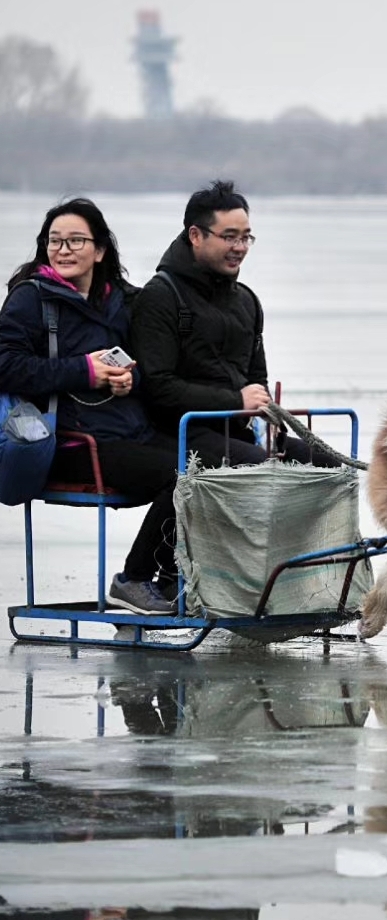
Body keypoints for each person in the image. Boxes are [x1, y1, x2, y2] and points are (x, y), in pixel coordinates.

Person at [0, 198, 178, 614]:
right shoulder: (30, 299)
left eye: (76, 240)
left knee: (208, 466)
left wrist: (129, 380)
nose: (63, 249)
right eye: (54, 241)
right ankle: (134, 579)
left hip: (128, 430)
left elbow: (150, 365)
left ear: (99, 250)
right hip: (70, 443)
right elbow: (5, 366)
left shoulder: (124, 301)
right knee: (183, 476)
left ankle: (172, 580)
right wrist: (84, 371)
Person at [130, 179, 330, 467]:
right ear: (196, 235)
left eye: (246, 237)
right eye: (229, 237)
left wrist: (267, 419)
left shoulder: (247, 301)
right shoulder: (160, 296)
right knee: (254, 462)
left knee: (326, 462)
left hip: (237, 428)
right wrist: (235, 402)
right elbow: (158, 388)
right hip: (178, 430)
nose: (240, 247)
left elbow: (256, 379)